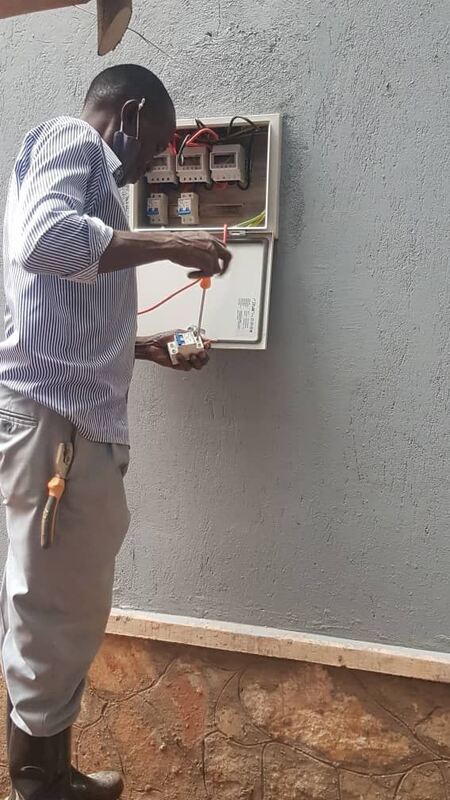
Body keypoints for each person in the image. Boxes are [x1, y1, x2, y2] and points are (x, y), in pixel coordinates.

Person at [0, 63, 231, 799]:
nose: (152, 163)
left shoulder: (85, 178)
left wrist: (143, 346)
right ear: (128, 114)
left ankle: (49, 771)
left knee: (59, 603)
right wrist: (169, 243)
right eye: (156, 144)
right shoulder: (72, 141)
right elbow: (44, 242)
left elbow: (55, 319)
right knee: (55, 608)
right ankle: (39, 783)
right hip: (59, 429)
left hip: (63, 423)